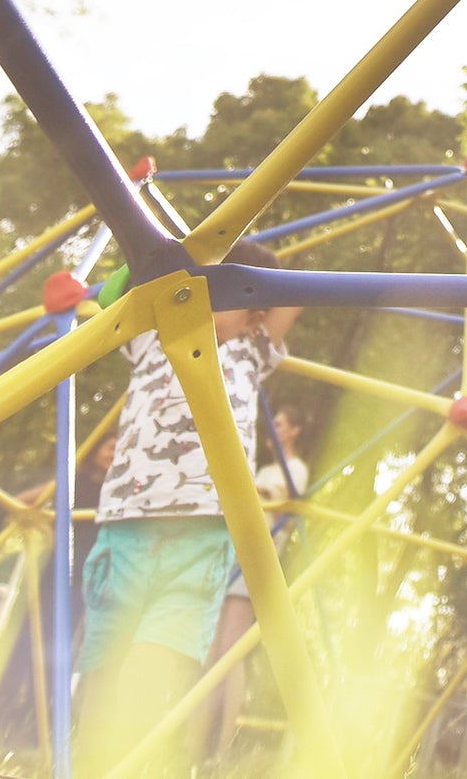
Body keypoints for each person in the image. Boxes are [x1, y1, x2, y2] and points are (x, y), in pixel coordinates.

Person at [74, 240, 301, 774]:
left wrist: (256, 279)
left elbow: (293, 298)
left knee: (160, 662)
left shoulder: (250, 350)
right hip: (129, 523)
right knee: (104, 665)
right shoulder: (153, 337)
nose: (206, 299)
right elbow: (112, 292)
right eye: (205, 286)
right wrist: (174, 254)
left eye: (229, 296)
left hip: (203, 533)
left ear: (255, 316)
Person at [203, 402, 310, 757]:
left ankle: (221, 751)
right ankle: (193, 746)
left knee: (230, 655)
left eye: (280, 422)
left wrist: (251, 489)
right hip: (233, 552)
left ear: (294, 431)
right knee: (210, 654)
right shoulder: (265, 468)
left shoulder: (296, 469)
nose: (274, 428)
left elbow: (287, 511)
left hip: (256, 559)